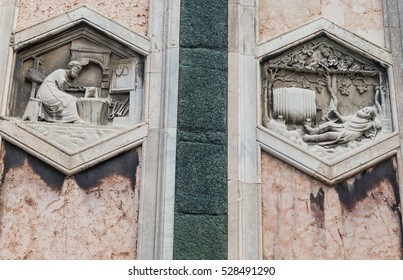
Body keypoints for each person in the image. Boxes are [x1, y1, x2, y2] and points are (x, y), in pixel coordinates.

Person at [303, 106, 382, 146]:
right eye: (365, 108)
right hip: (343, 127)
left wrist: (374, 117)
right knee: (329, 124)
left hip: (349, 134)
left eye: (367, 110)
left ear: (369, 115)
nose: (364, 110)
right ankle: (313, 131)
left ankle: (310, 138)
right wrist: (338, 115)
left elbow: (379, 125)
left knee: (329, 135)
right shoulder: (355, 116)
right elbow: (343, 120)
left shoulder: (369, 123)